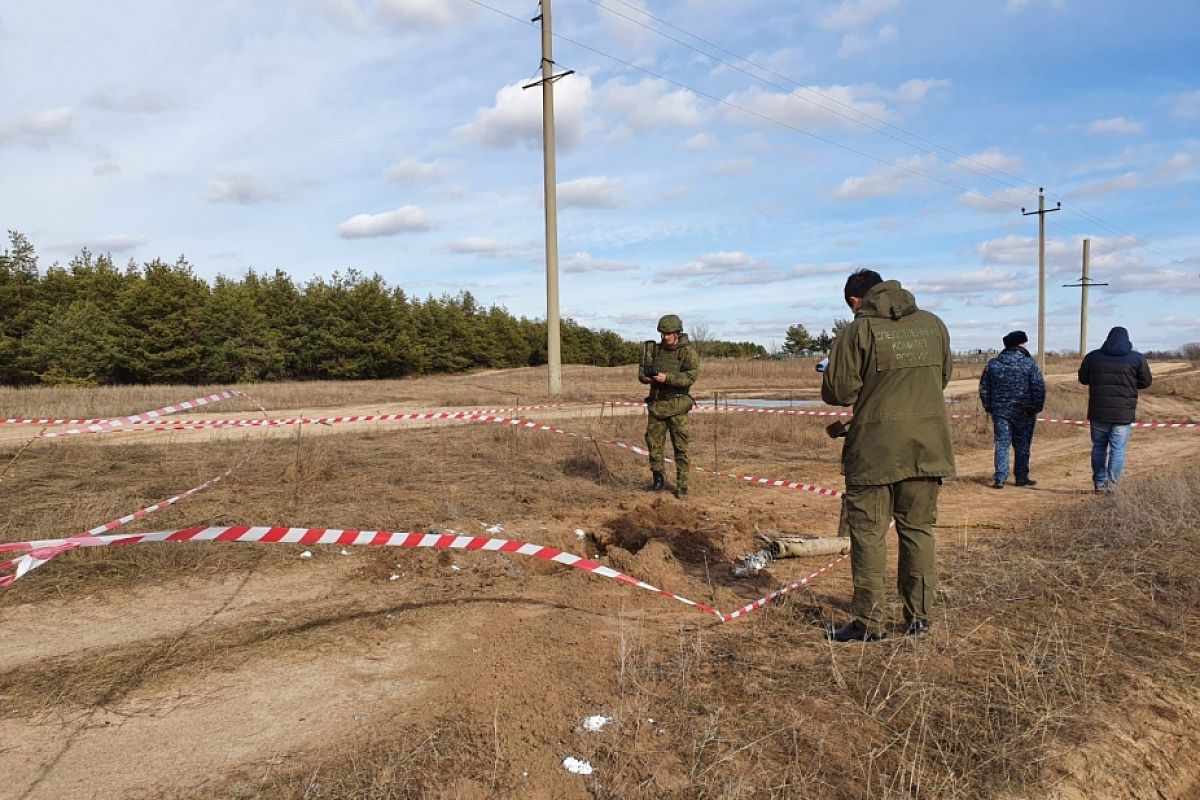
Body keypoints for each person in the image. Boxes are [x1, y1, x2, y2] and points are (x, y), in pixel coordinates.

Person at [821, 269, 956, 642]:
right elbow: (941, 378)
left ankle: (869, 623)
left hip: (874, 450)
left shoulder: (857, 331)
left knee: (868, 536)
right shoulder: (934, 325)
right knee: (918, 532)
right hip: (927, 446)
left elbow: (839, 392)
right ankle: (920, 619)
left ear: (854, 301)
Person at [1078, 326, 1152, 492]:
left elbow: (1083, 379)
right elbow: (1146, 382)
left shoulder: (1093, 357)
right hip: (1123, 413)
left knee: (1098, 447)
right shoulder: (1137, 358)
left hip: (1098, 412)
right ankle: (1113, 485)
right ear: (1127, 339)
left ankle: (1099, 482)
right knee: (1118, 449)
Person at [640, 314, 699, 498]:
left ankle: (682, 485)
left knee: (680, 447)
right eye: (662, 333)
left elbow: (691, 377)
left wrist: (668, 378)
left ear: (677, 333)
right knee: (653, 444)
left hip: (677, 406)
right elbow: (642, 374)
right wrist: (646, 378)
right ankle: (658, 480)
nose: (665, 337)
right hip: (657, 405)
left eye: (668, 333)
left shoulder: (687, 352)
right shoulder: (654, 350)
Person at [978, 330, 1045, 489]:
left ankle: (1000, 478)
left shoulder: (993, 364)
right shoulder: (1029, 364)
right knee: (1022, 445)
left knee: (1002, 443)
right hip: (1024, 410)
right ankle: (1021, 477)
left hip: (1000, 411)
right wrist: (1036, 407)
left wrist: (989, 406)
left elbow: (984, 388)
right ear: (1021, 344)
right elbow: (1038, 387)